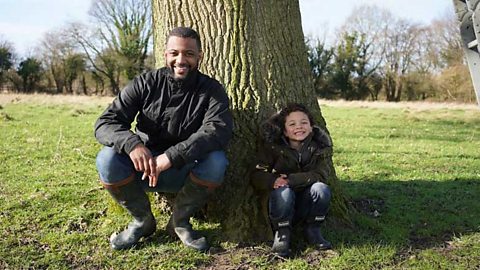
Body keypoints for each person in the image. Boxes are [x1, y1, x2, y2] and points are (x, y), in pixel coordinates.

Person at [94, 27, 233, 252]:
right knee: (106, 159)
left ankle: (179, 222)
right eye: (174, 53)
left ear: (200, 56)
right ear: (165, 54)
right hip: (141, 170)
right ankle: (142, 221)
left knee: (217, 160)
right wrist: (132, 144)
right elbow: (106, 122)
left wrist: (172, 156)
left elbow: (218, 130)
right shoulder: (145, 83)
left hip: (185, 170)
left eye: (189, 53)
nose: (181, 60)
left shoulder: (212, 90)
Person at [250, 103, 332, 257]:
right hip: (281, 200)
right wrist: (273, 180)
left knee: (321, 189)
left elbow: (321, 174)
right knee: (284, 192)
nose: (299, 127)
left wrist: (291, 180)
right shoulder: (272, 147)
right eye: (292, 124)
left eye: (304, 123)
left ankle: (313, 229)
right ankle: (282, 233)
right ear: (285, 131)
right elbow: (257, 173)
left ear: (311, 126)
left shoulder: (318, 146)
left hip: (306, 199)